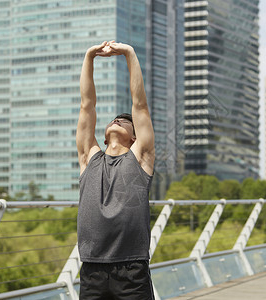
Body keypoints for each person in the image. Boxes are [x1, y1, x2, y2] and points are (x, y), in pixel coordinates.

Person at [76, 41, 155, 299]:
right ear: (105, 134)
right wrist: (90, 57)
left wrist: (129, 53)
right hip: (92, 269)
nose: (118, 120)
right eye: (115, 120)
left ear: (135, 138)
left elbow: (140, 105)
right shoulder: (90, 157)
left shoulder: (140, 158)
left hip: (131, 269)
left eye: (125, 122)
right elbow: (87, 105)